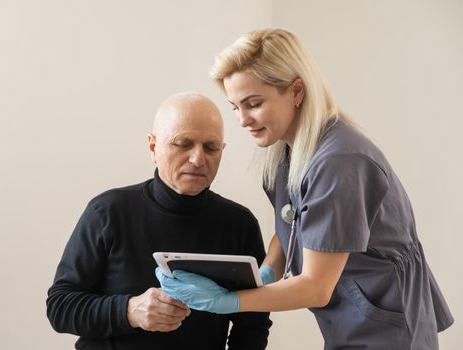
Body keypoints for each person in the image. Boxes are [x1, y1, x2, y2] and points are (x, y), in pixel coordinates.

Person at [156, 29, 454, 349]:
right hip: (350, 322)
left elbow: (316, 286)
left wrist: (230, 301)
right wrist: (267, 272)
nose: (242, 120)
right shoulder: (286, 151)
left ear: (296, 90)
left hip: (387, 328)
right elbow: (293, 224)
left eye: (253, 103)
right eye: (235, 107)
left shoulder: (340, 162)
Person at [46, 92, 272, 350]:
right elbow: (60, 306)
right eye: (183, 143)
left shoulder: (239, 224)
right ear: (153, 147)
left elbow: (253, 322)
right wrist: (129, 311)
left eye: (210, 147)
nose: (198, 159)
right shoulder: (107, 211)